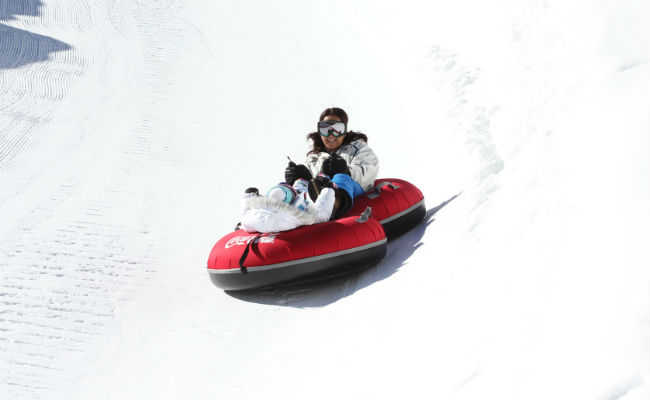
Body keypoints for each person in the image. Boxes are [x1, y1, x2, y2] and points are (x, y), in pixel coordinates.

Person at [284, 107, 379, 218]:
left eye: (337, 129)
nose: (331, 134)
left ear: (344, 132)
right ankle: (279, 201)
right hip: (317, 196)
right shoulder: (314, 158)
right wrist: (300, 176)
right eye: (325, 129)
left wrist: (347, 171)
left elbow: (369, 168)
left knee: (341, 178)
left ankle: (333, 203)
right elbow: (310, 184)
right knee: (300, 182)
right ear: (320, 132)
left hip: (351, 189)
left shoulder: (357, 148)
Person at [239, 178, 336, 233]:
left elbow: (245, 210)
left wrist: (249, 194)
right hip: (281, 225)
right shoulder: (296, 214)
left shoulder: (253, 213)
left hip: (261, 220)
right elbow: (322, 214)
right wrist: (328, 190)